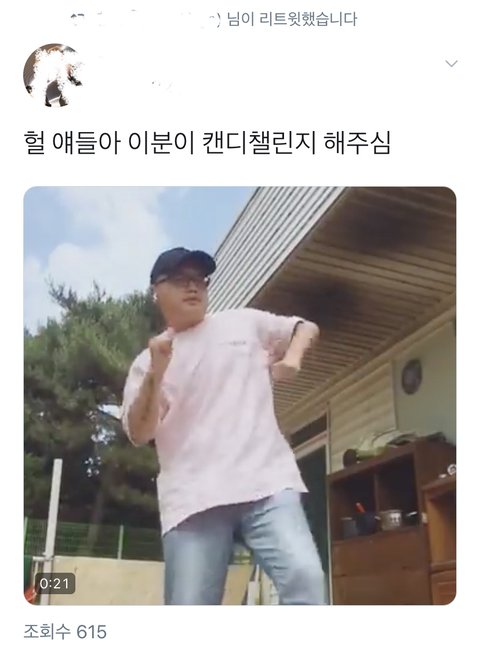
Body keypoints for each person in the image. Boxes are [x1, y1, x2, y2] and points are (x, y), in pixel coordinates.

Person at [121, 247, 325, 605]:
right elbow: (139, 433)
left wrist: (292, 358)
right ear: (156, 291)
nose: (193, 286)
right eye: (181, 279)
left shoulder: (243, 322)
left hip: (266, 483)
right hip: (193, 498)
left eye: (199, 279)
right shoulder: (147, 361)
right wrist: (157, 372)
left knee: (306, 579)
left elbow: (304, 327)